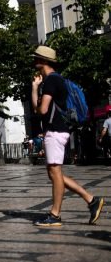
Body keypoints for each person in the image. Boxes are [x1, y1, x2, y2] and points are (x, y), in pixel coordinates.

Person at [31, 46, 104, 226]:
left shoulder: (51, 81)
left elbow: (42, 110)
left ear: (44, 61)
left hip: (55, 131)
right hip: (58, 131)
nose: (33, 61)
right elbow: (36, 108)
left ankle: (55, 215)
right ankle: (91, 200)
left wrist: (39, 94)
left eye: (36, 59)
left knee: (55, 173)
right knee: (54, 174)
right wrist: (34, 88)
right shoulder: (54, 80)